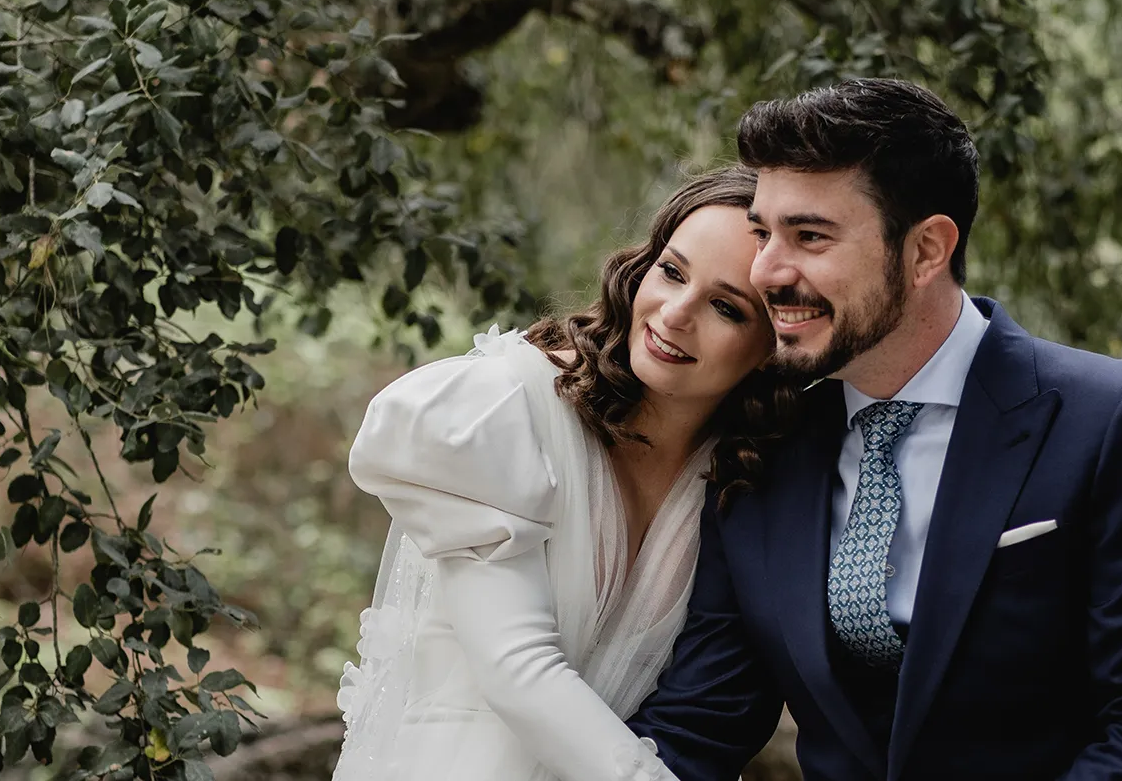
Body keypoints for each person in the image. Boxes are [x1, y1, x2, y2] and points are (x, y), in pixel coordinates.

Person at [627, 79, 1122, 780]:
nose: (767, 271)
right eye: (763, 233)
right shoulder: (763, 446)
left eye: (810, 236)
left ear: (925, 251)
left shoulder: (1111, 424)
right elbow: (701, 721)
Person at [332, 166, 797, 781]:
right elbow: (517, 665)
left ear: (772, 343)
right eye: (672, 272)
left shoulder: (740, 478)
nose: (676, 314)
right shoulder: (505, 408)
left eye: (725, 307)